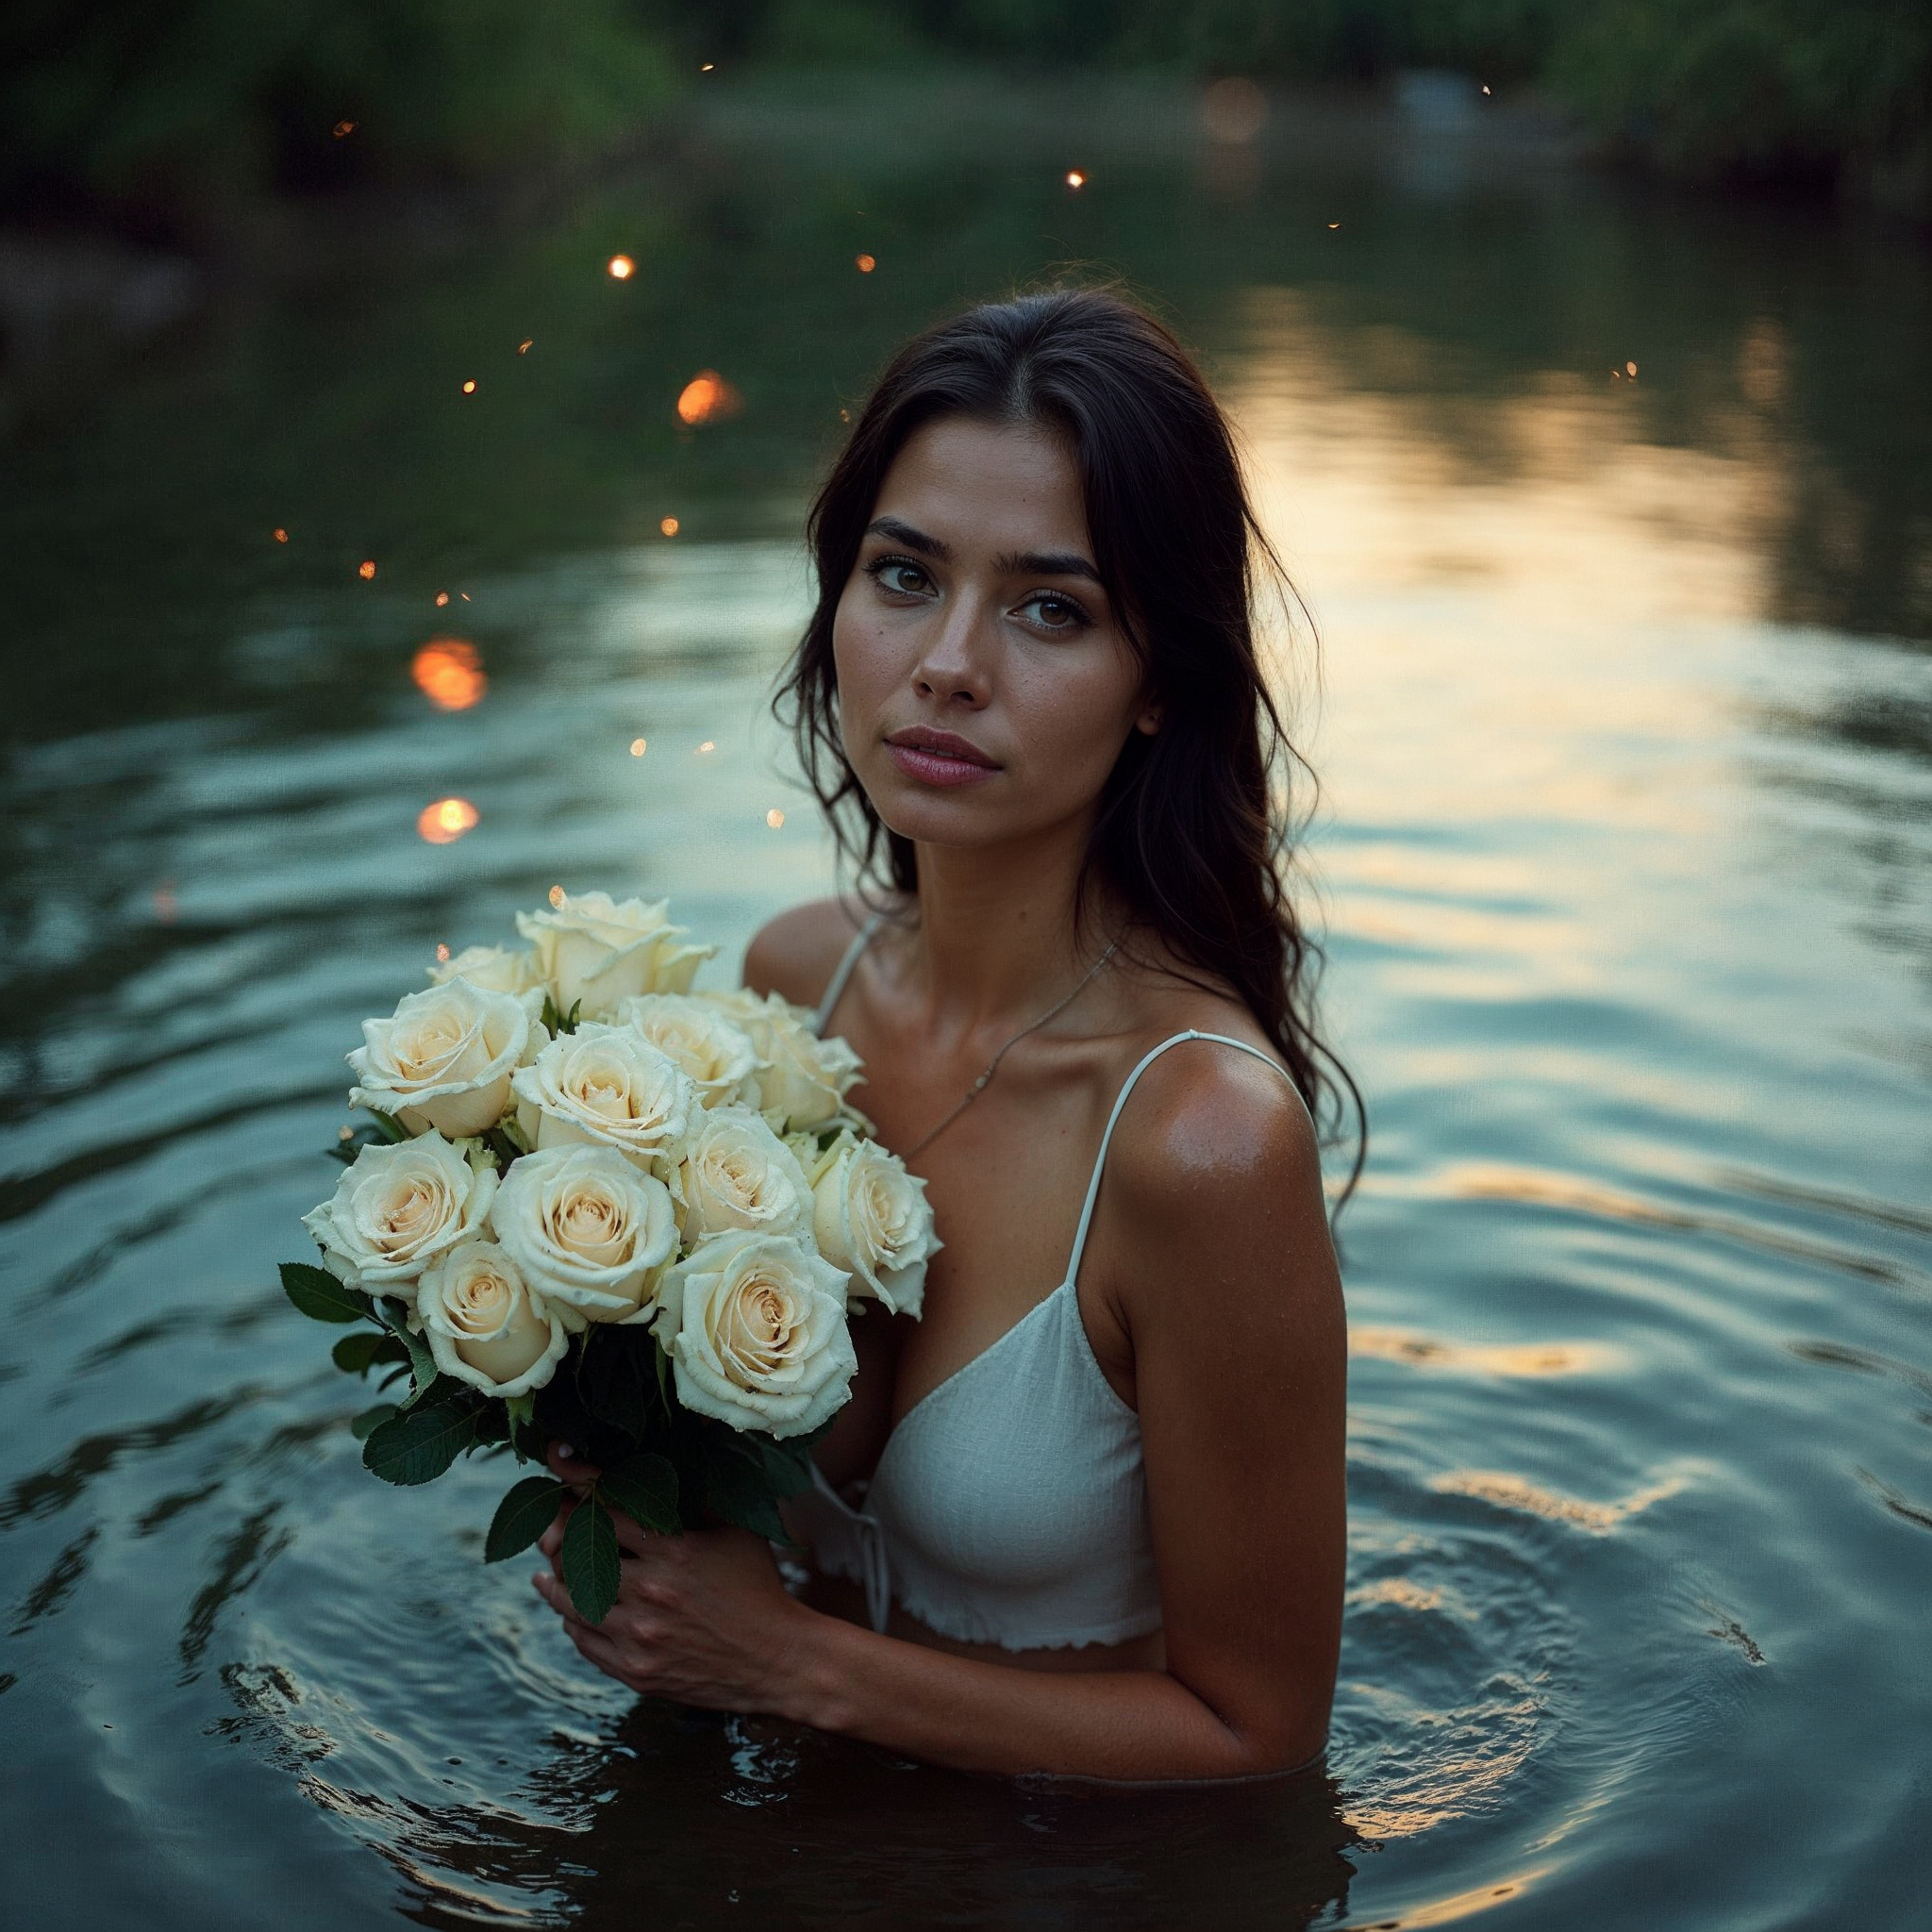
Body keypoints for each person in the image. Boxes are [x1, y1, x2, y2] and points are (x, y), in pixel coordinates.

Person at [532, 287, 1356, 1782]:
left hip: (1090, 1871)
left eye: (1052, 608)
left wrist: (790, 1667)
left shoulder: (1202, 1143)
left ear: (1161, 680)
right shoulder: (797, 990)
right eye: (904, 575)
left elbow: (1262, 1736)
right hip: (775, 1823)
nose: (950, 662)